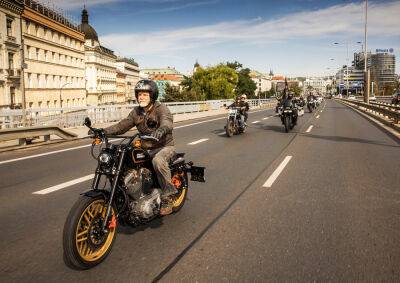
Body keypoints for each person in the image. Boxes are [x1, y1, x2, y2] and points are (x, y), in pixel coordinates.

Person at [95, 79, 177, 215]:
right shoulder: (136, 112)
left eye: (145, 94)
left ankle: (168, 196)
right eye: (139, 94)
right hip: (145, 146)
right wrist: (103, 131)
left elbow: (167, 123)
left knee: (158, 161)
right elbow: (122, 126)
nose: (141, 97)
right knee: (122, 156)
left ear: (152, 95)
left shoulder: (161, 108)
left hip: (163, 146)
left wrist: (161, 130)